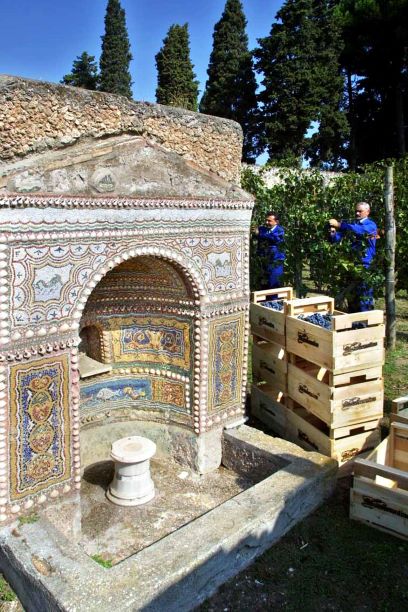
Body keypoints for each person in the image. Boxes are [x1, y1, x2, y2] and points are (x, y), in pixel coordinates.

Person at [328, 202, 378, 312]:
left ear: (367, 212)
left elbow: (360, 231)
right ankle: (354, 324)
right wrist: (333, 232)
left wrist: (340, 225)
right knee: (352, 297)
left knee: (364, 297)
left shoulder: (371, 225)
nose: (357, 213)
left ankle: (364, 324)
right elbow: (337, 239)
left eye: (360, 211)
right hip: (351, 265)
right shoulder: (352, 224)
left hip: (365, 265)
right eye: (356, 210)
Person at [253, 211, 285, 289]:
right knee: (264, 285)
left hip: (275, 262)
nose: (266, 222)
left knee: (273, 284)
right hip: (264, 262)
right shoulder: (264, 229)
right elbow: (257, 233)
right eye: (266, 220)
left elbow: (274, 238)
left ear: (276, 222)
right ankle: (266, 301)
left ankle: (274, 301)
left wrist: (260, 234)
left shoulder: (280, 231)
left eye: (269, 221)